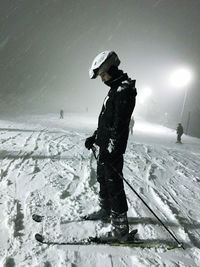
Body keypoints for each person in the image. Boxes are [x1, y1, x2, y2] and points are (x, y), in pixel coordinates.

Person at [85, 50, 137, 241]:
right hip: (104, 146)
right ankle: (105, 209)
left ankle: (120, 229)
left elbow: (119, 126)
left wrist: (111, 150)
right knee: (102, 179)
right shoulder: (115, 89)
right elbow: (106, 122)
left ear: (112, 69)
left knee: (114, 186)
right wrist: (95, 137)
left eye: (103, 74)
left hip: (112, 150)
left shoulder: (124, 90)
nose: (102, 79)